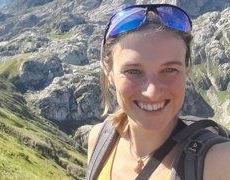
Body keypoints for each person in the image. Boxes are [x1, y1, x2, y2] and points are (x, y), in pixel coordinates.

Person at [86, 4, 230, 180]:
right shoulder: (99, 140)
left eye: (169, 70)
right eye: (133, 71)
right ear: (110, 74)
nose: (152, 92)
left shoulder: (219, 161)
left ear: (186, 70)